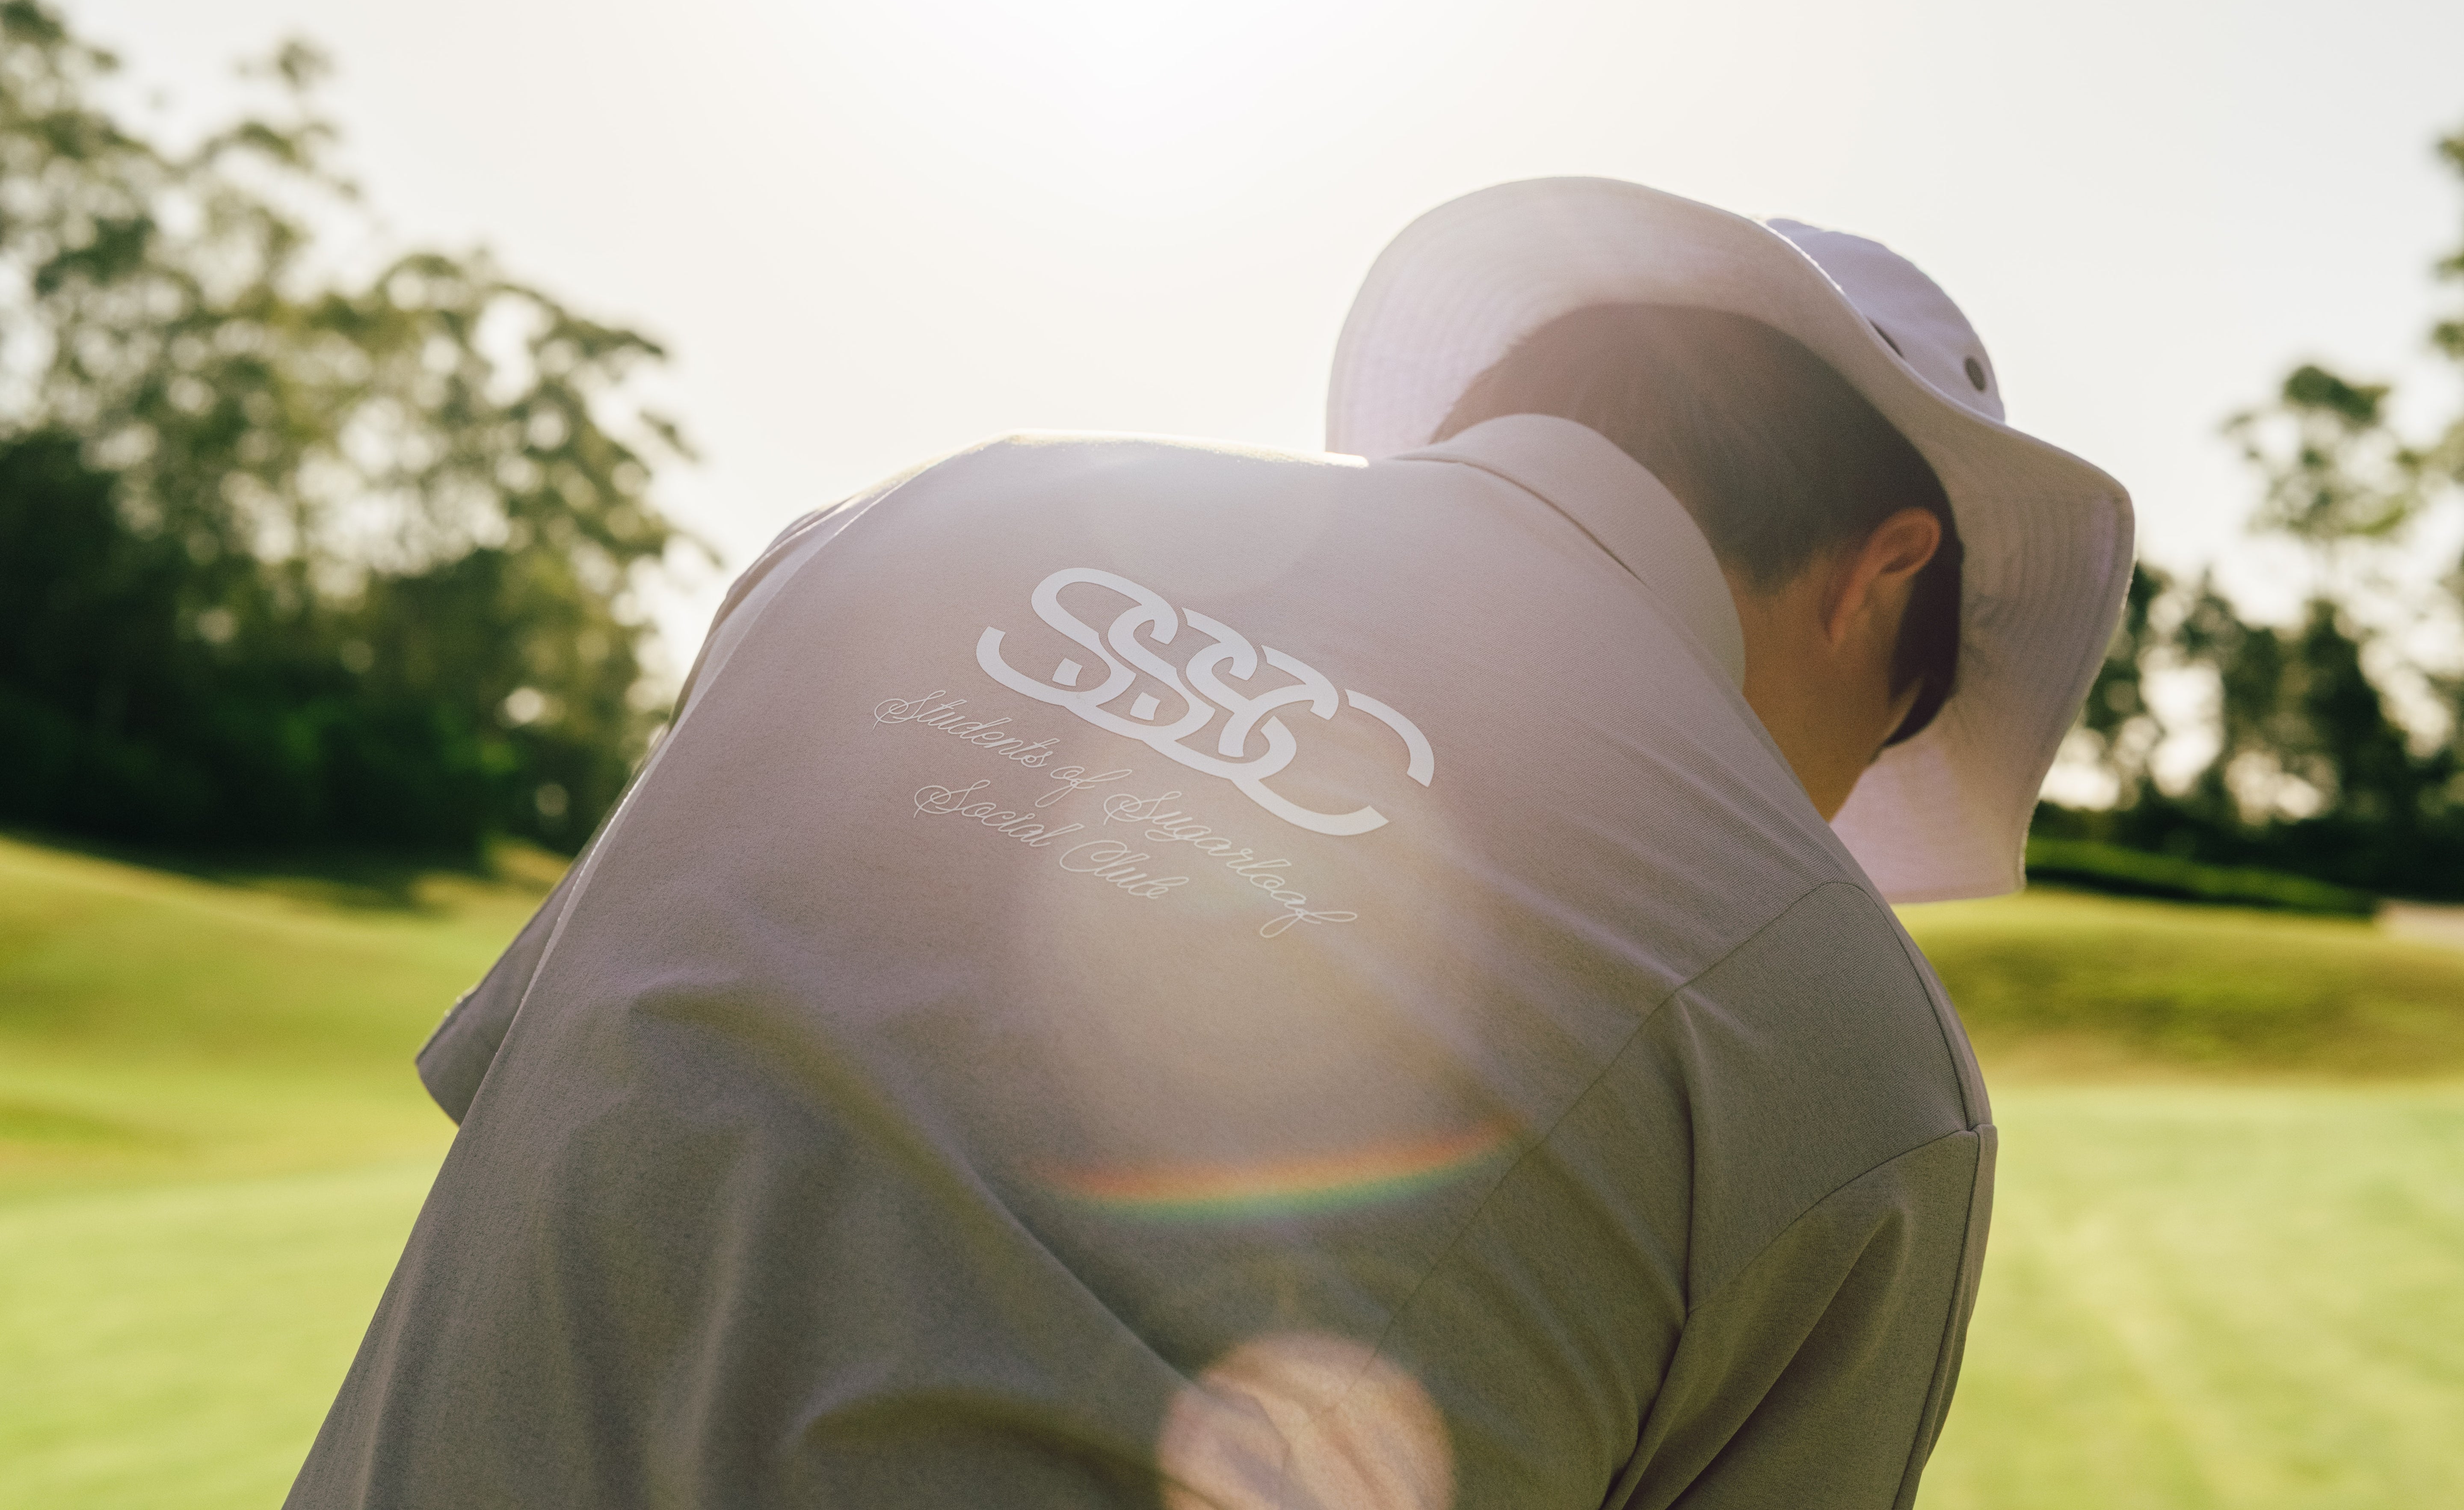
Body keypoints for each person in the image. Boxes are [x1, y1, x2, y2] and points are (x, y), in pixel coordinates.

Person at [287, 178, 2131, 1509]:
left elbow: (547, 1111)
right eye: (1887, 735)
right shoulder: (1851, 1043)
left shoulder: (894, 532)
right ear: (1882, 575)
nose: (1828, 814)